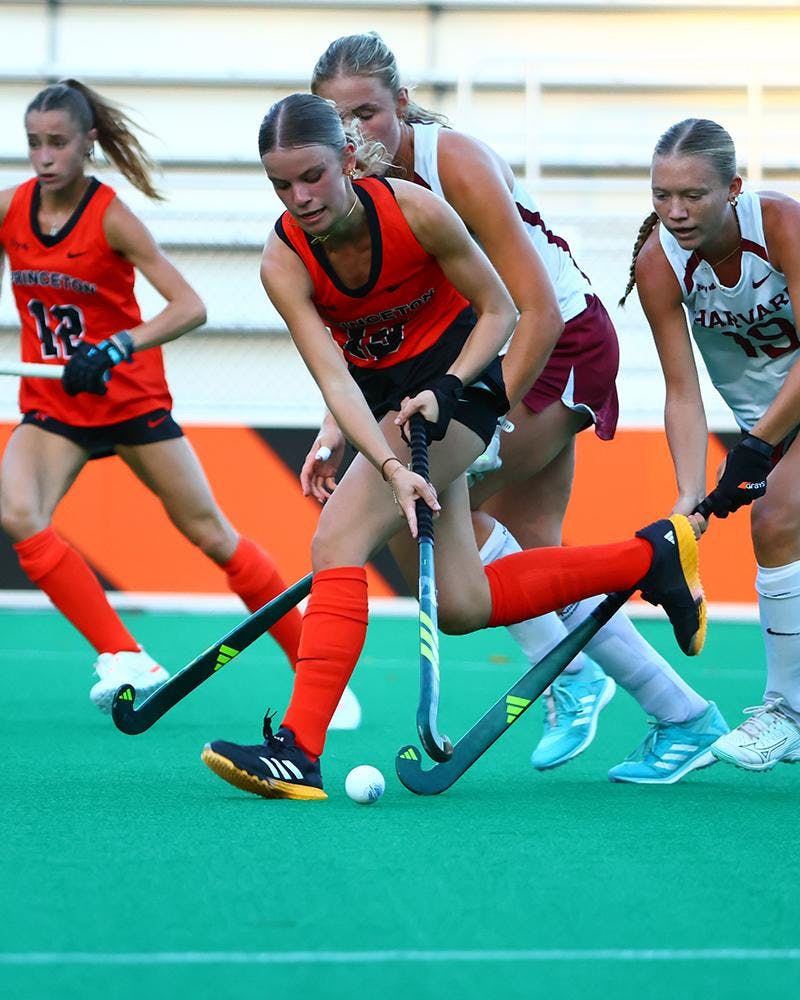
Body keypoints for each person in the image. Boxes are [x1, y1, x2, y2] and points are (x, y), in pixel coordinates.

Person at [201, 92, 707, 802]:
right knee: (463, 604)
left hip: (464, 387)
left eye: (312, 175)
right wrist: (386, 467)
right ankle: (650, 556)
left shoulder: (414, 211)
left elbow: (504, 306)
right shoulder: (283, 260)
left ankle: (299, 750)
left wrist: (453, 384)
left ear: (347, 159)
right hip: (388, 406)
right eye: (281, 184)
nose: (300, 198)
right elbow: (336, 381)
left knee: (336, 542)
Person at [0, 79, 358, 728]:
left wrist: (116, 347)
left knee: (211, 535)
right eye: (33, 144)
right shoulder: (9, 209)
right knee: (19, 512)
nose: (44, 156)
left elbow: (190, 306)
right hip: (53, 402)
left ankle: (315, 669)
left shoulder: (110, 216)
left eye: (57, 142)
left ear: (88, 145)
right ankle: (124, 654)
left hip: (128, 401)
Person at [620, 117, 800, 771]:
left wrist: (757, 446)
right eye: (661, 194)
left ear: (733, 189)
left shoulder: (781, 227)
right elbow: (682, 392)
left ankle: (786, 713)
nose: (675, 211)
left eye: (692, 195)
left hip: (781, 417)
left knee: (776, 517)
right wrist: (688, 497)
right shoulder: (658, 265)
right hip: (769, 425)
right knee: (780, 520)